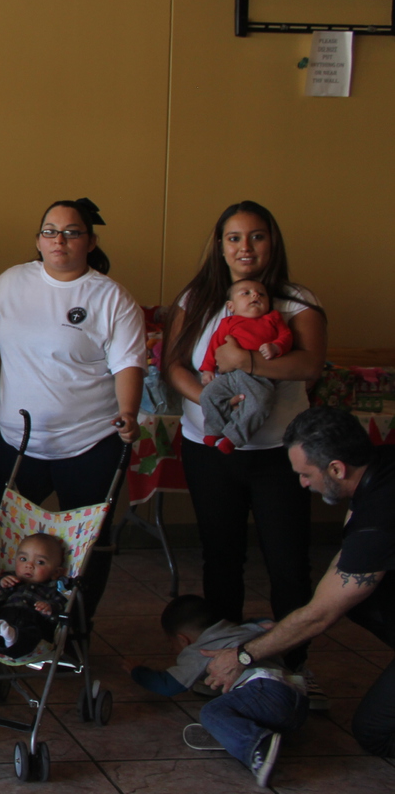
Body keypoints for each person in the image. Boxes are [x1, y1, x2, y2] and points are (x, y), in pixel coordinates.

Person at [163, 201, 325, 687]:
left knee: (288, 564)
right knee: (221, 559)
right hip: (210, 449)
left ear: (272, 242)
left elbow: (309, 365)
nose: (245, 247)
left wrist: (246, 364)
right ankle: (227, 666)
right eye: (234, 237)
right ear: (220, 246)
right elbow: (174, 366)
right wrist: (216, 402)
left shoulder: (296, 301)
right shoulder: (197, 298)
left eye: (257, 236)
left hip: (281, 456)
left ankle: (293, 667)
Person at [0, 199, 145, 615]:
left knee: (87, 549)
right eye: (50, 231)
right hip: (18, 441)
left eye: (71, 232)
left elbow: (129, 363)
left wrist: (129, 411)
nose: (59, 240)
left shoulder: (111, 297)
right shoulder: (9, 284)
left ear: (91, 242)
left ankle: (72, 630)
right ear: (38, 240)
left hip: (90, 443)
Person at [202, 407, 395, 758]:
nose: (303, 484)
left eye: (306, 474)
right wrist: (286, 628)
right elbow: (339, 574)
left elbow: (322, 614)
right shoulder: (382, 464)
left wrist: (244, 654)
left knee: (374, 732)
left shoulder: (378, 522)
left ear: (336, 469)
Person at [131, 594, 307, 787]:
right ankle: (239, 735)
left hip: (266, 691)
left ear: (182, 640)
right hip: (297, 702)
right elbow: (266, 623)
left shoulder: (199, 650)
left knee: (212, 712)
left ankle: (257, 745)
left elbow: (167, 685)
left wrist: (137, 671)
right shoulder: (246, 629)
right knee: (240, 707)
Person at [196, 279, 293, 453]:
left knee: (258, 406)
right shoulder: (228, 322)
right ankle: (214, 429)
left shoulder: (272, 318)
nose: (255, 295)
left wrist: (276, 346)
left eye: (261, 294)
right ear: (231, 306)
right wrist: (208, 369)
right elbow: (214, 345)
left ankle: (234, 437)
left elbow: (286, 336)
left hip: (260, 377)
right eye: (246, 293)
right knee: (208, 395)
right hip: (231, 376)